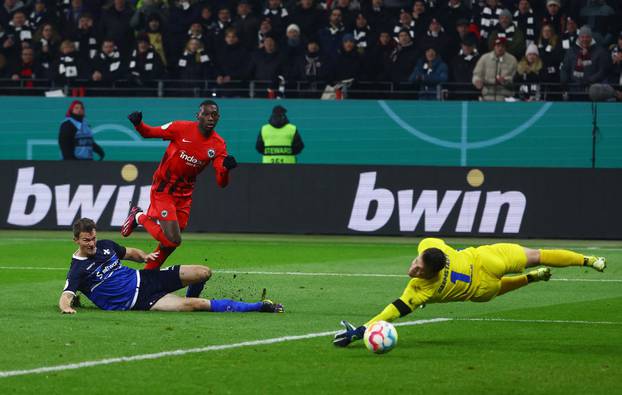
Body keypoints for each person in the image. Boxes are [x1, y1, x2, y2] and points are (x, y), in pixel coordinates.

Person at [333, 237, 607, 347]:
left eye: (418, 270)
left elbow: (392, 311)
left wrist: (361, 330)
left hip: (483, 281)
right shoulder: (431, 248)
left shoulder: (421, 290)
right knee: (534, 256)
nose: (413, 270)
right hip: (485, 264)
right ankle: (584, 261)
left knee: (509, 279)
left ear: (431, 273)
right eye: (416, 264)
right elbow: (440, 249)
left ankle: (571, 266)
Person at [122, 100, 237, 298]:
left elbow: (221, 182)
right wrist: (138, 124)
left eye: (214, 115)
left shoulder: (218, 144)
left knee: (167, 246)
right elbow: (149, 132)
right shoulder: (180, 128)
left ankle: (144, 281)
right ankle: (139, 216)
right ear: (198, 115)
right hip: (163, 189)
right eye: (207, 114)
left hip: (185, 195)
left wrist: (225, 169)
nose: (211, 118)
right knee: (173, 239)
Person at [60, 218, 283, 314]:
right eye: (86, 241)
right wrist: (66, 307)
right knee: (196, 305)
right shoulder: (78, 269)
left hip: (146, 279)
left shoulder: (105, 246)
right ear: (76, 241)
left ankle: (186, 294)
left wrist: (145, 256)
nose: (91, 244)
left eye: (93, 239)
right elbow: (66, 294)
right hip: (142, 301)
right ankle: (259, 307)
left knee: (203, 273)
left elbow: (129, 253)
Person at [472, 37, 518, 101]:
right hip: (487, 97)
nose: (500, 48)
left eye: (502, 46)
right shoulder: (484, 58)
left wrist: (505, 81)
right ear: (494, 47)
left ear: (506, 47)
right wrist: (477, 81)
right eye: (498, 46)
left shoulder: (512, 60)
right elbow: (476, 74)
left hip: (505, 98)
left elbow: (514, 78)